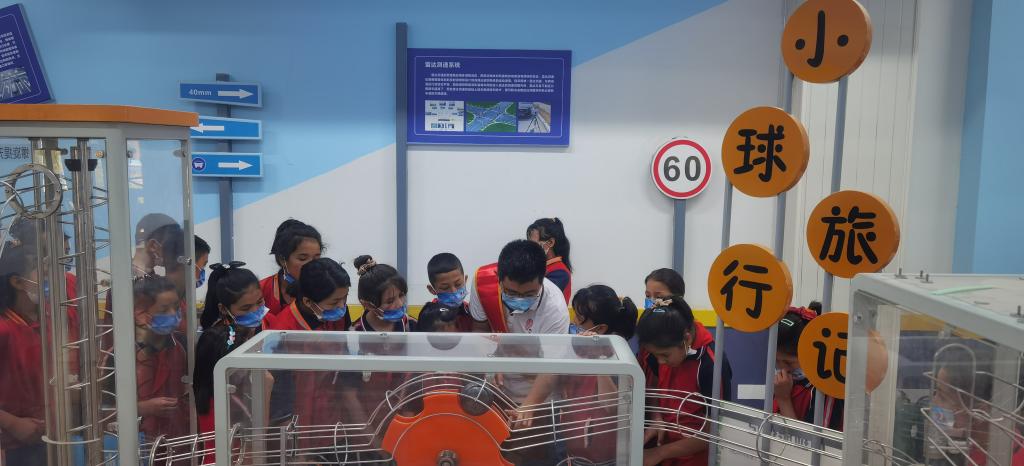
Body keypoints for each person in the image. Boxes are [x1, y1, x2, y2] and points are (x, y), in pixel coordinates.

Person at [516, 285, 639, 465]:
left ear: (600, 328)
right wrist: (529, 403)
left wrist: (598, 361)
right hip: (572, 450)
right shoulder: (574, 348)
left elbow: (612, 406)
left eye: (580, 318)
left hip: (605, 457)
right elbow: (552, 376)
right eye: (574, 314)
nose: (573, 321)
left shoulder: (618, 357)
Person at [636, 297, 732, 466]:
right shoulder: (660, 350)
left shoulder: (712, 366)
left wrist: (660, 453)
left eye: (665, 355)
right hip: (665, 450)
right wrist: (657, 417)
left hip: (696, 457)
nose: (660, 361)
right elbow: (654, 384)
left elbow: (715, 432)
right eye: (655, 355)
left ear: (686, 339)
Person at [343, 255, 416, 423]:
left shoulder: (412, 327)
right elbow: (349, 395)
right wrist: (368, 434)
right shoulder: (354, 337)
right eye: (390, 301)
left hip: (408, 420)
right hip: (368, 421)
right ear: (367, 304)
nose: (399, 304)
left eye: (402, 295)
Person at [469, 239, 570, 335]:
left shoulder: (556, 310)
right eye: (511, 293)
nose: (520, 300)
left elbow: (550, 348)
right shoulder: (483, 283)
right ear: (498, 278)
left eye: (529, 294)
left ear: (543, 279)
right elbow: (480, 331)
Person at [133, 276, 189, 442]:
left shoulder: (182, 345)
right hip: (137, 443)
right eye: (164, 310)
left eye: (176, 307)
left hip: (177, 439)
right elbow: (102, 411)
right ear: (140, 313)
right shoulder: (119, 356)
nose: (173, 314)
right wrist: (142, 408)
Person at [772, 303, 844, 430]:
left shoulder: (825, 390)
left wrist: (783, 399)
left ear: (811, 356)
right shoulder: (778, 381)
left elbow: (812, 441)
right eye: (776, 361)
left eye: (789, 362)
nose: (783, 369)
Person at [260, 220, 323, 316]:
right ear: (282, 260)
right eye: (303, 258)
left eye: (316, 258)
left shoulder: (328, 290)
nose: (312, 265)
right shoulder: (261, 291)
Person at [527, 218, 573, 304]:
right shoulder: (541, 266)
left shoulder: (560, 273)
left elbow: (536, 300)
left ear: (550, 242)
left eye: (534, 244)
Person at [425, 252, 473, 332]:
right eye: (445, 288)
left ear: (465, 280)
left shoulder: (472, 312)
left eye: (458, 284)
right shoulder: (428, 315)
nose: (454, 291)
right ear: (432, 290)